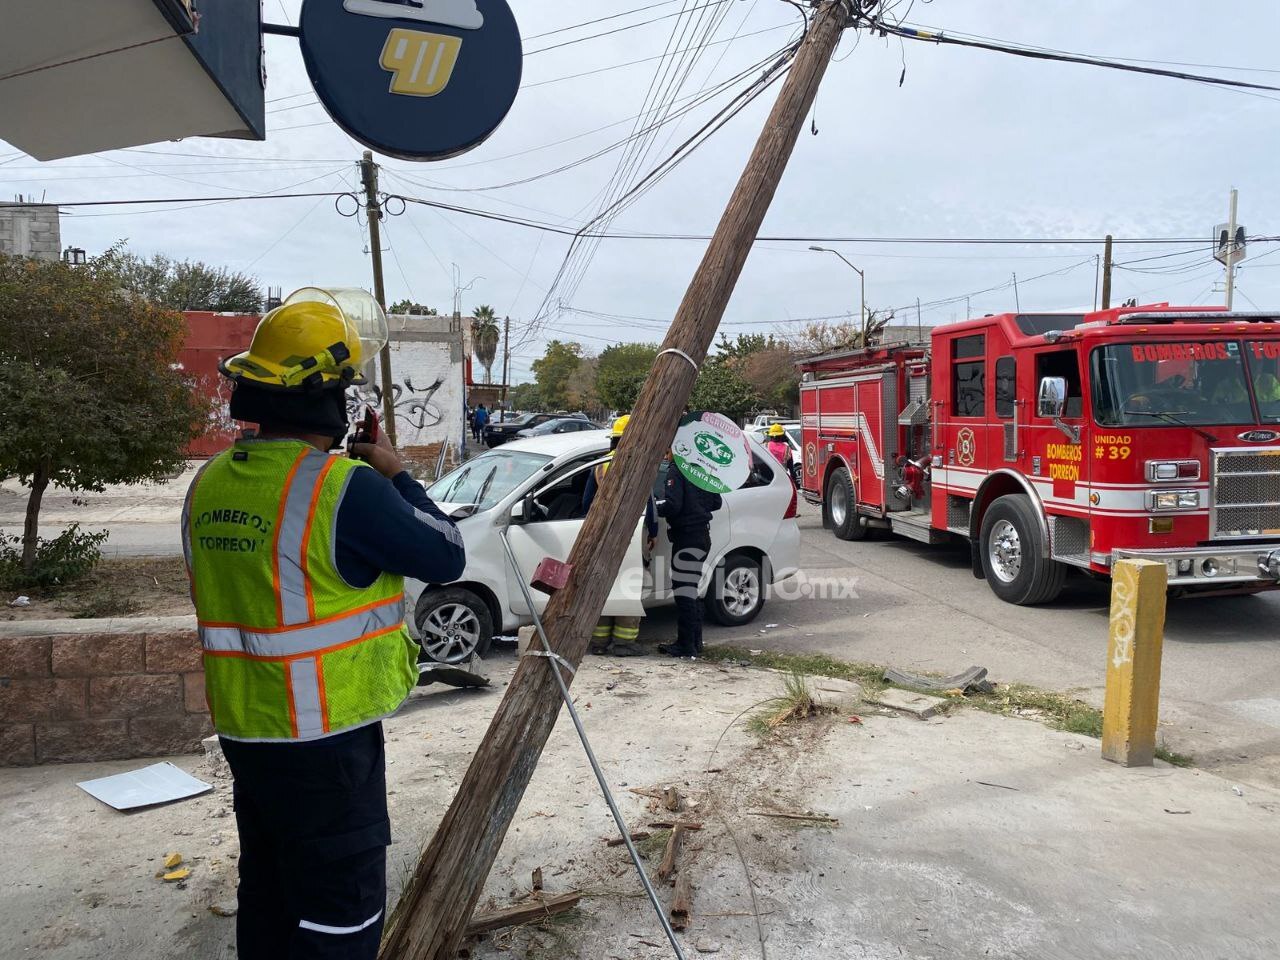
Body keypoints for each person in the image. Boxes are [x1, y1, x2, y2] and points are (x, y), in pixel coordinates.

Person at [182, 292, 466, 960]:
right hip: (326, 744)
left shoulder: (211, 484)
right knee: (341, 915)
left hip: (246, 734)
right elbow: (446, 554)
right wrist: (395, 472)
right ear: (331, 402)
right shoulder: (341, 488)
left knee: (272, 896)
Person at [582, 414, 657, 656]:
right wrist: (652, 532)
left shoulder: (600, 464)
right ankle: (624, 643)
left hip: (602, 537)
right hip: (631, 536)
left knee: (603, 587)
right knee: (629, 585)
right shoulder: (640, 465)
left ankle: (599, 643)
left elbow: (586, 504)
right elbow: (650, 505)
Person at [656, 454, 722, 658]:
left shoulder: (678, 470)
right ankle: (694, 641)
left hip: (687, 537)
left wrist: (655, 507)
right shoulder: (702, 468)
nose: (665, 454)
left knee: (684, 592)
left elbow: (673, 506)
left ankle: (686, 644)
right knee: (690, 590)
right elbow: (716, 502)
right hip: (702, 536)